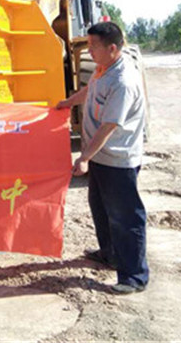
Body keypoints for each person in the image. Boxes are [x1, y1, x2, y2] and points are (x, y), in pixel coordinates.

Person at [56, 21, 149, 294]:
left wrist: (84, 157)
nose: (90, 50)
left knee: (124, 216)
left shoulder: (123, 81)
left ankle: (134, 276)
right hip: (100, 156)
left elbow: (109, 127)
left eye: (94, 46)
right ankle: (109, 253)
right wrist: (69, 102)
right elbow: (91, 89)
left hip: (117, 160)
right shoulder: (103, 69)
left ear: (112, 48)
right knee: (100, 207)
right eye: (88, 44)